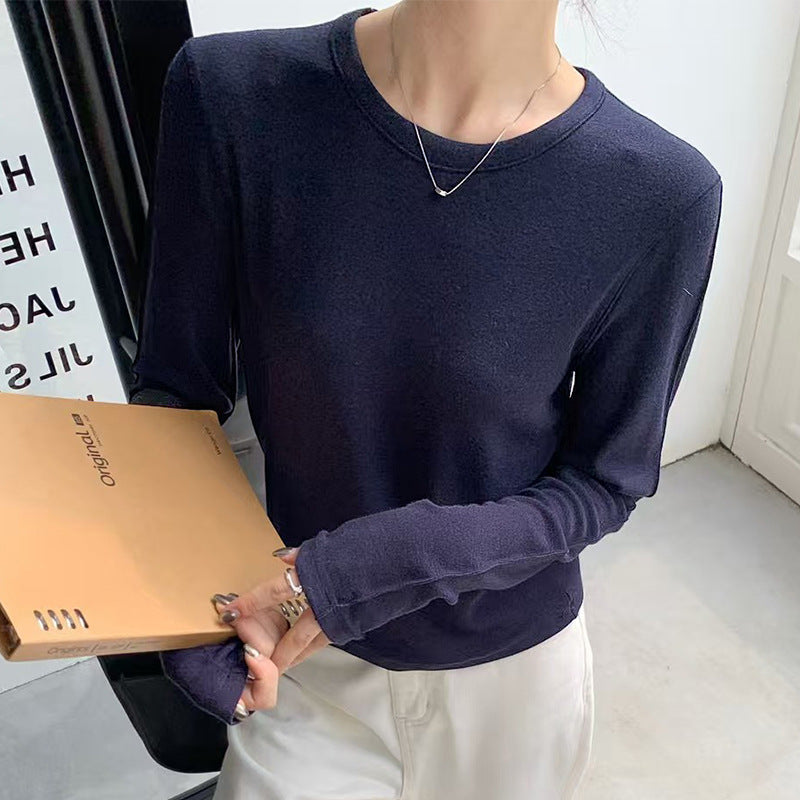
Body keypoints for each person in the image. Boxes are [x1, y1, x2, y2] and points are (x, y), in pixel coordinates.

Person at [130, 2, 724, 798]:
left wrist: (383, 563)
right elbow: (176, 396)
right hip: (299, 653)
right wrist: (180, 584)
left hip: (513, 681)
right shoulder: (233, 94)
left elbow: (605, 481)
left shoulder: (659, 193)